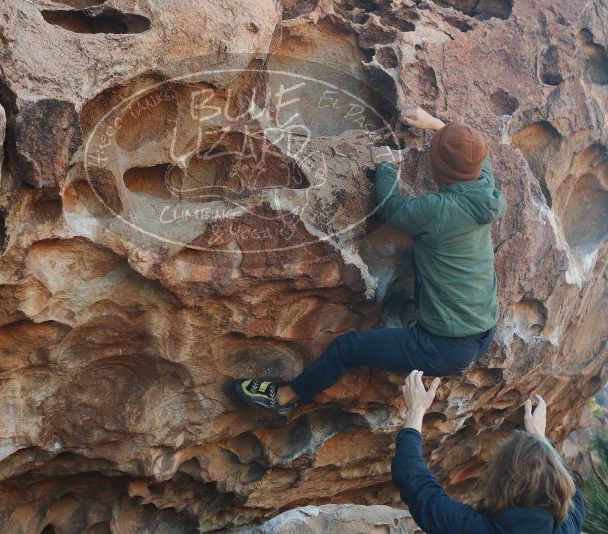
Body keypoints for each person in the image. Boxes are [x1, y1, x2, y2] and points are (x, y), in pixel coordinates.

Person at [234, 107, 507, 415]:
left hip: (443, 345)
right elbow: (471, 158)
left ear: (439, 168)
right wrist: (436, 126)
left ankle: (285, 397)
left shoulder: (439, 209)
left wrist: (387, 167)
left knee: (347, 348)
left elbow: (392, 207)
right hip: (483, 330)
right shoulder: (485, 189)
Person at [393, 370, 585, 534]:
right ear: (559, 485)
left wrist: (416, 412)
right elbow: (575, 497)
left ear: (498, 479)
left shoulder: (472, 527)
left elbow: (415, 481)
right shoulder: (566, 527)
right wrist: (540, 442)